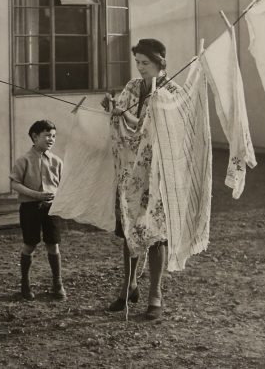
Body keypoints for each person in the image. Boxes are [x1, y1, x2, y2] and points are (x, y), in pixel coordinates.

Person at [101, 38, 175, 320]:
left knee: (156, 233)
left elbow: (167, 132)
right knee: (129, 230)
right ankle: (128, 285)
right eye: (138, 63)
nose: (141, 68)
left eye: (146, 63)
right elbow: (120, 115)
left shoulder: (171, 90)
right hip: (130, 173)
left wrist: (134, 116)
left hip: (157, 175)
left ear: (160, 64)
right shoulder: (133, 87)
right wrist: (111, 107)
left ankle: (155, 293)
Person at [9, 120, 66, 300]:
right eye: (47, 135)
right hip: (30, 208)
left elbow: (63, 185)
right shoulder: (23, 160)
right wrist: (35, 194)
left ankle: (57, 285)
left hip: (51, 209)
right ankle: (25, 285)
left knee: (53, 244)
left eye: (54, 136)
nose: (51, 139)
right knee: (30, 244)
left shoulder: (56, 161)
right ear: (34, 137)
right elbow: (14, 184)